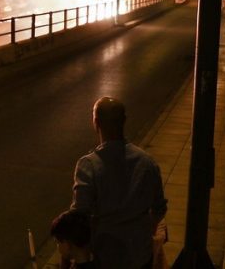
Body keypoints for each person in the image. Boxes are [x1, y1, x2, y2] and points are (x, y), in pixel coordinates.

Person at [71, 97, 167, 269]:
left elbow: (79, 215)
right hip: (139, 254)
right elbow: (159, 208)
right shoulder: (147, 162)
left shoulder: (88, 165)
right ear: (124, 122)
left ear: (96, 123)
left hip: (104, 255)